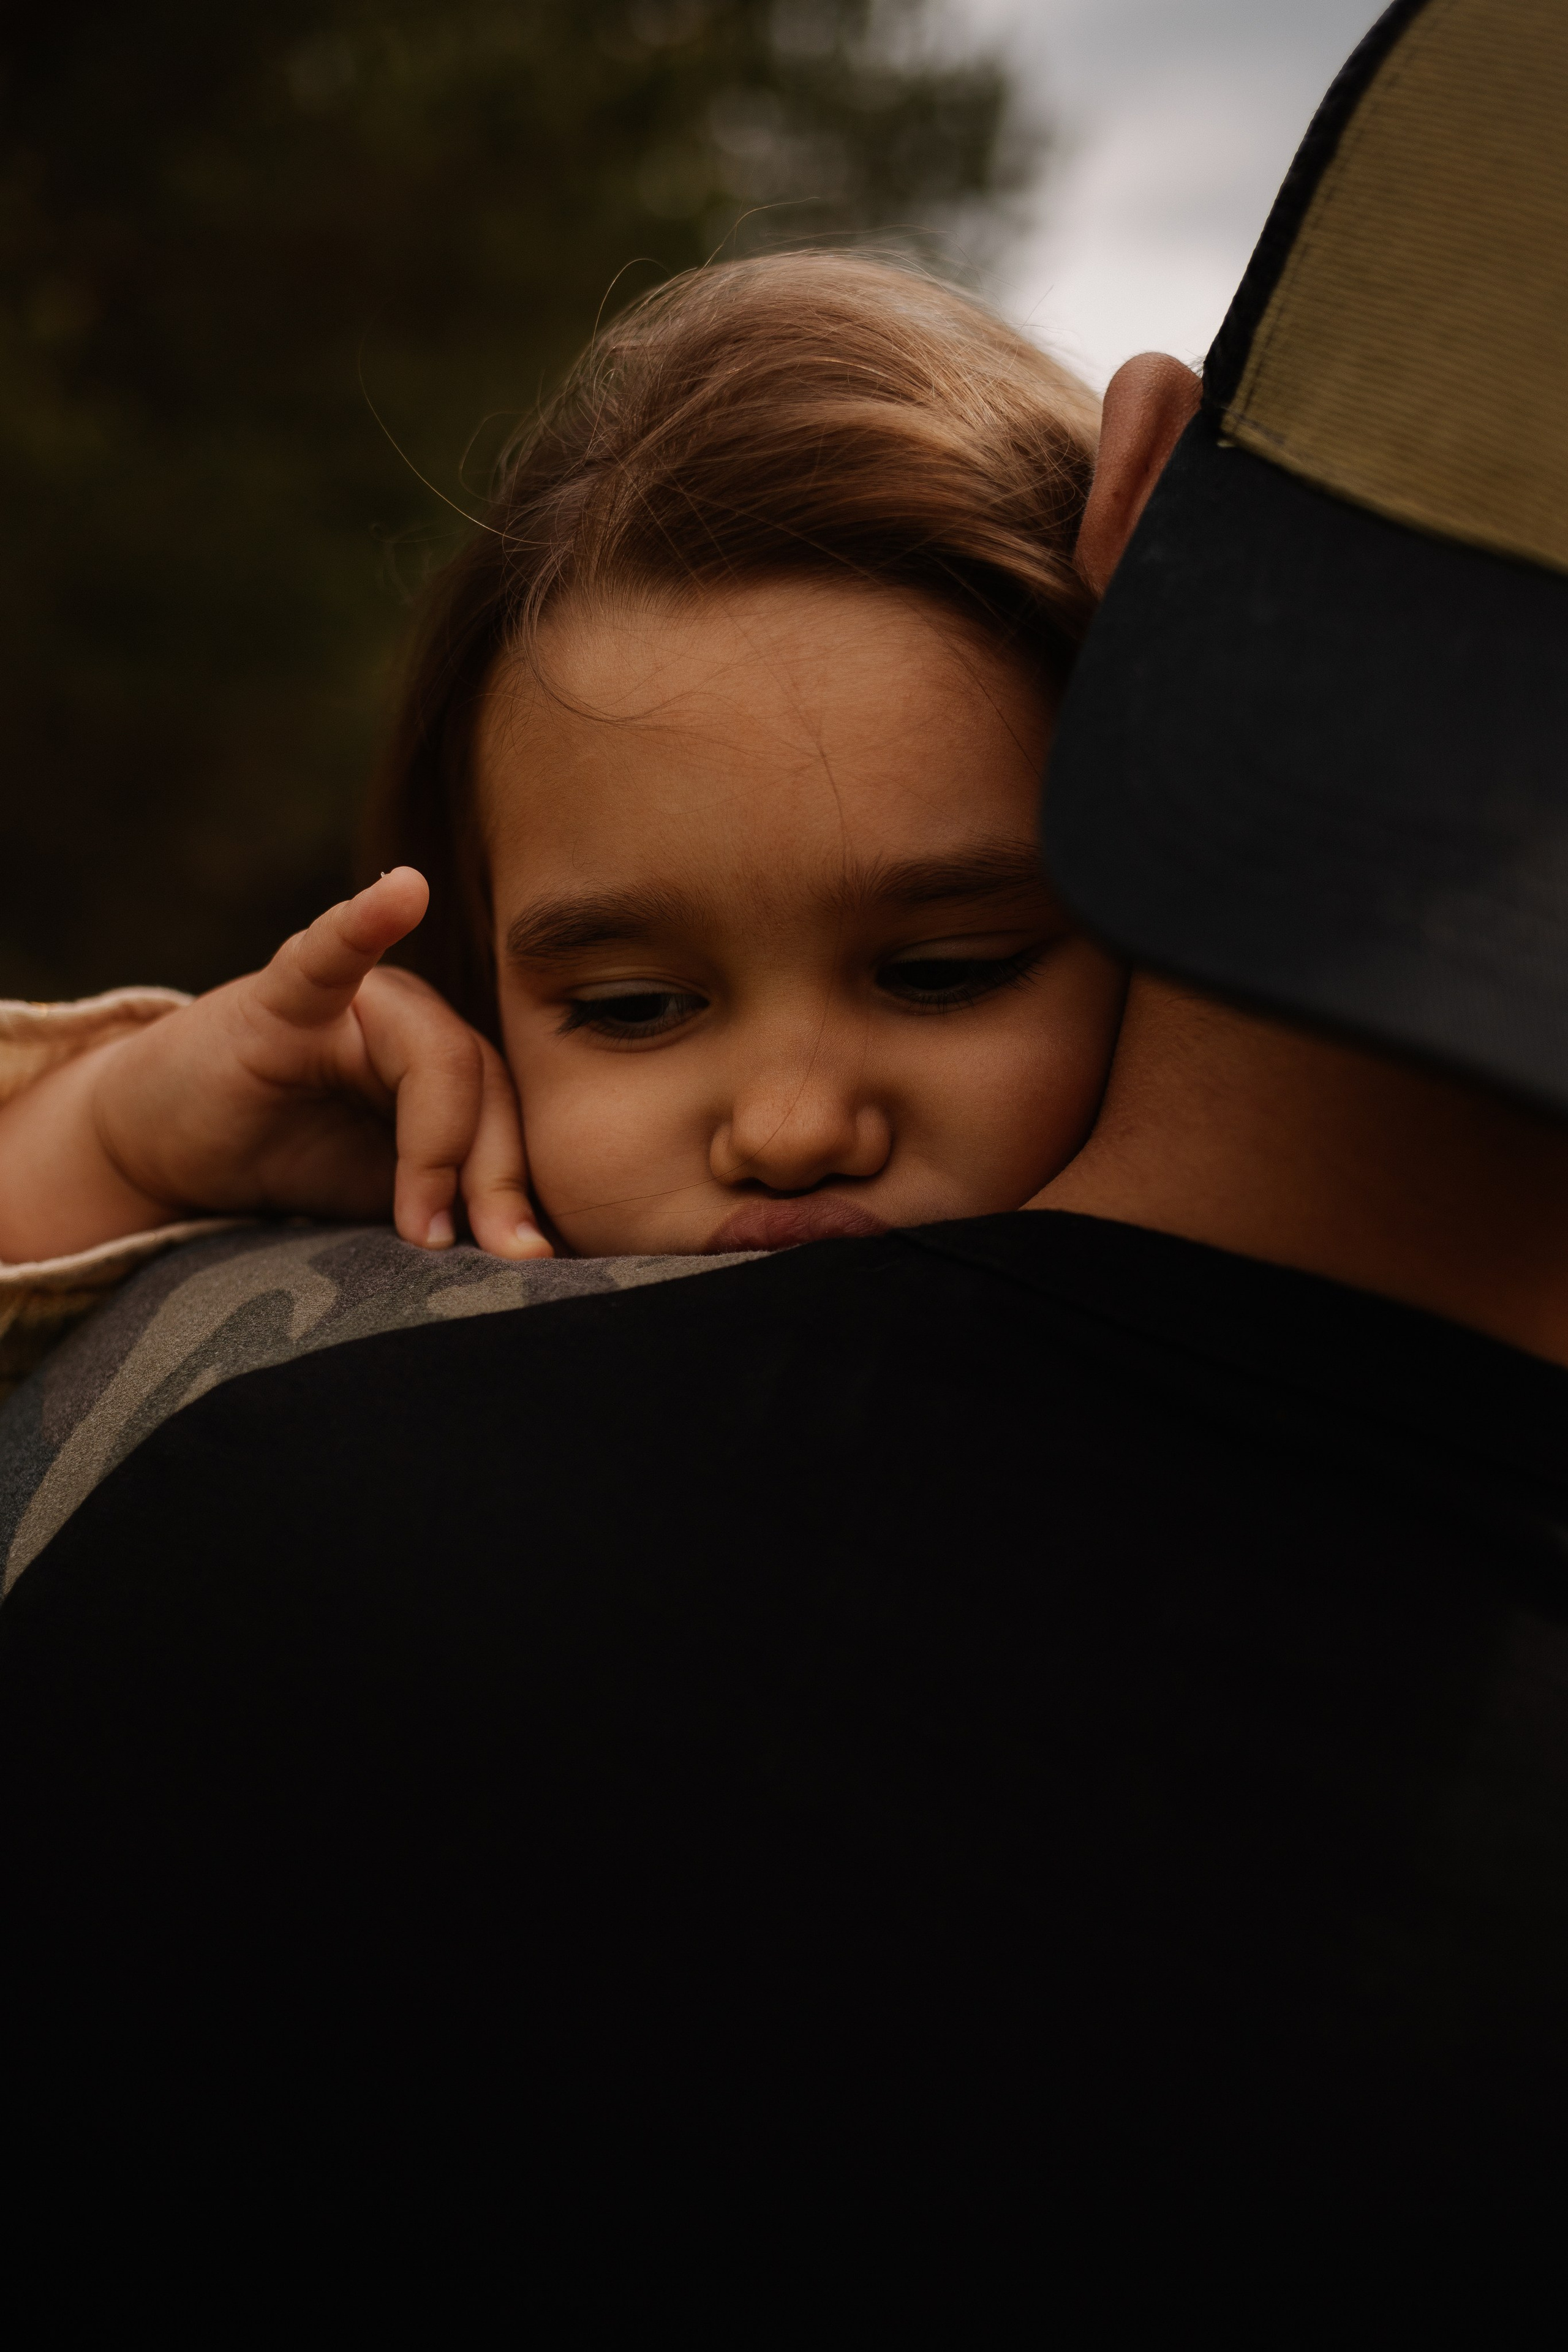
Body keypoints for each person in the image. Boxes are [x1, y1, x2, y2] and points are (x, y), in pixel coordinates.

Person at [5, 0, 1568, 2251]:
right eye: (634, 1007)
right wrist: (129, 1138)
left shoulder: (285, 1488)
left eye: (951, 968)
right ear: (479, 984)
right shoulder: (349, 1319)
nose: (797, 1117)